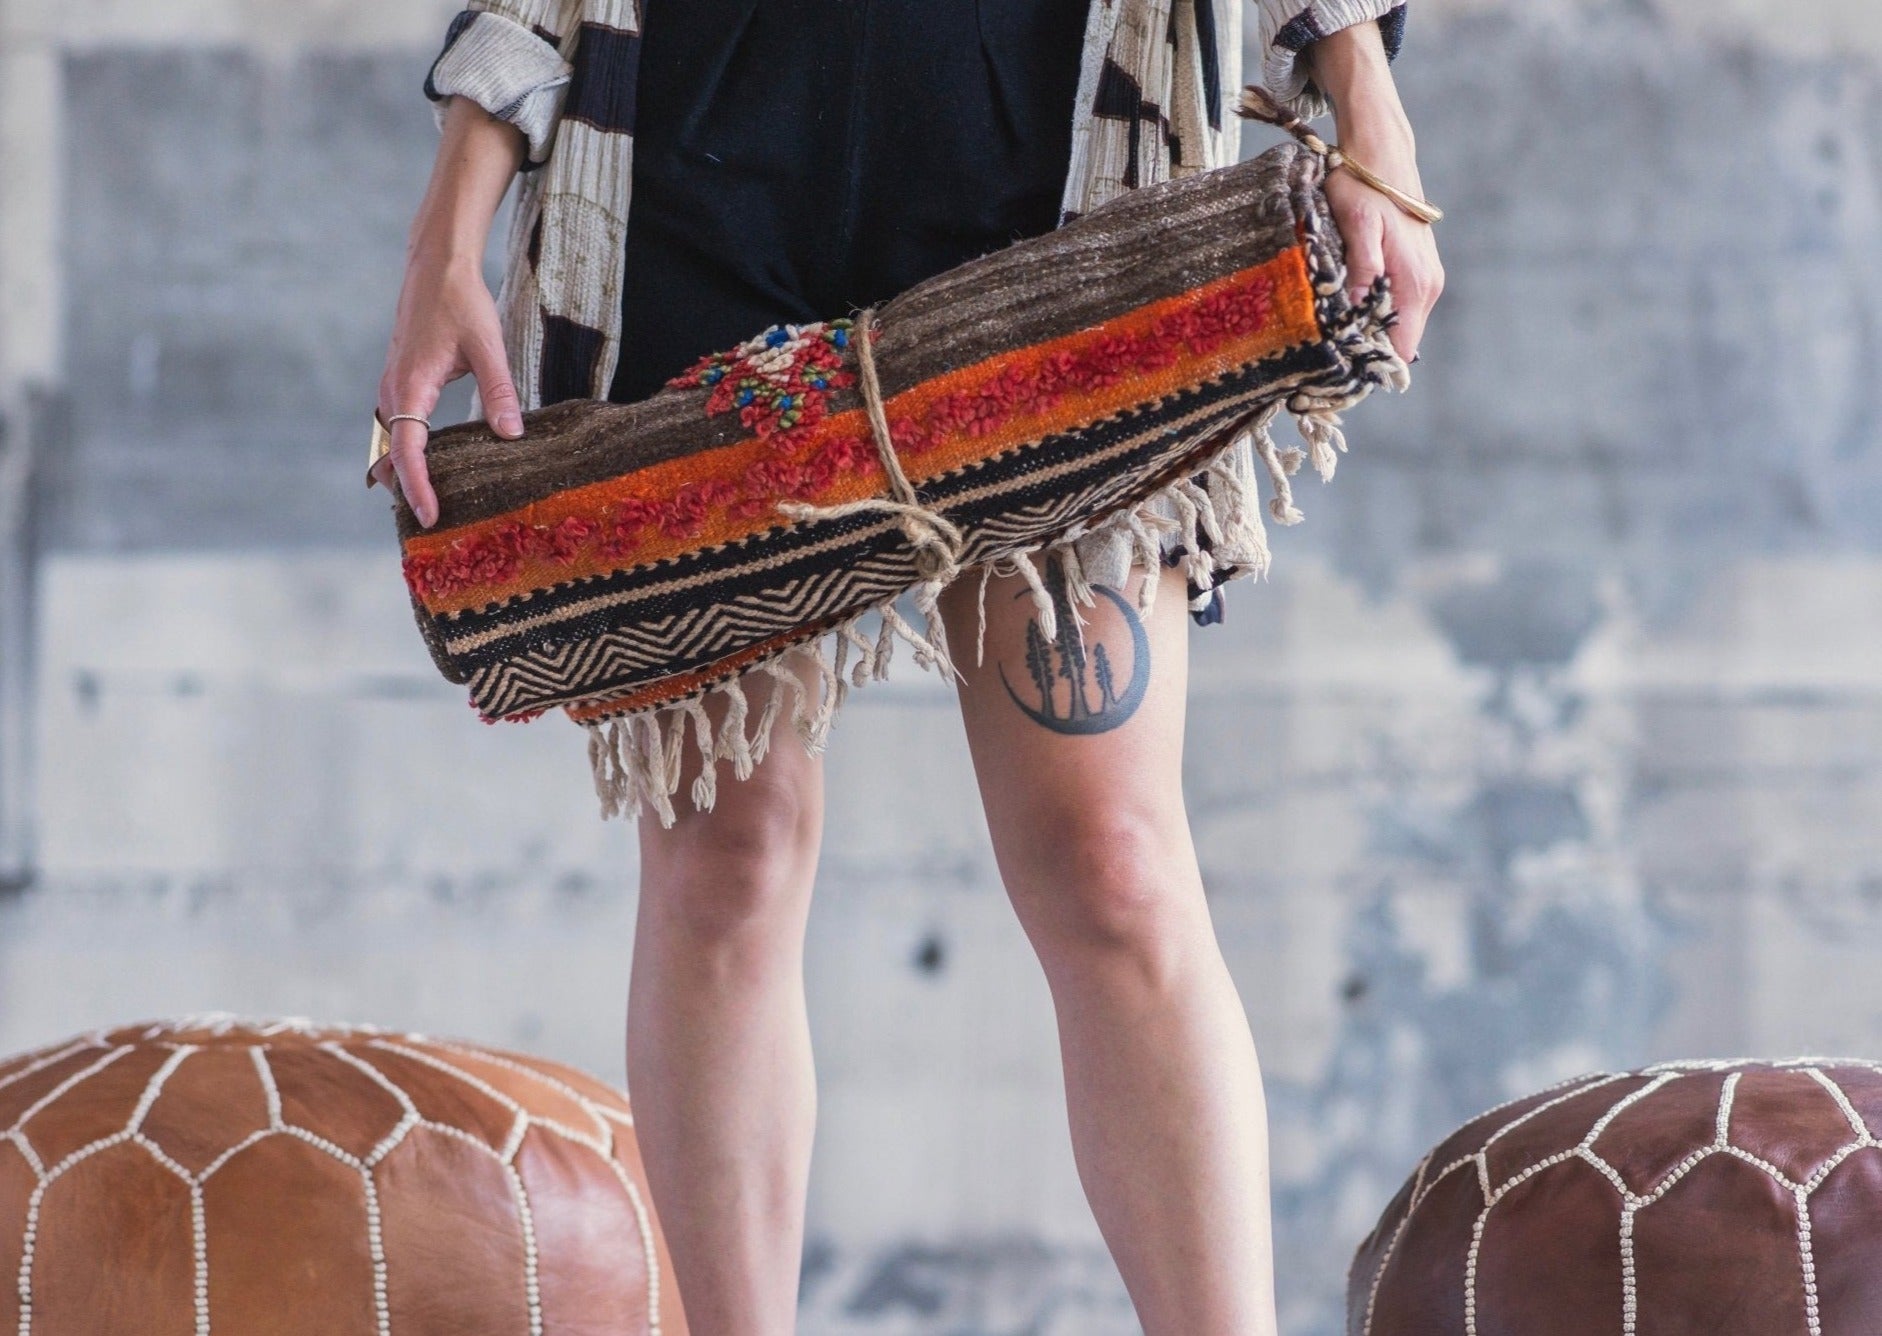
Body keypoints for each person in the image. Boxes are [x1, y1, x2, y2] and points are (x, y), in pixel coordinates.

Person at [374, 1, 1442, 1330]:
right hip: (693, 178)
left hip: (1057, 178)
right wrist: (450, 223)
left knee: (1111, 863)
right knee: (728, 859)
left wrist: (1368, 114)